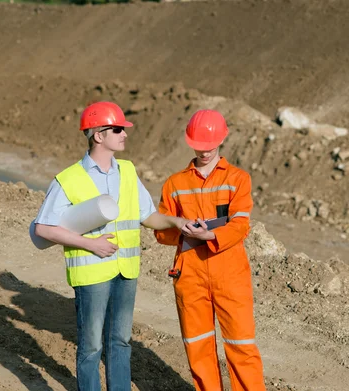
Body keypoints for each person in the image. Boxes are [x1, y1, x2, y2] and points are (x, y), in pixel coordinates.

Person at [33, 101, 190, 391]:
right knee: (91, 346)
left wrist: (175, 221)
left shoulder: (128, 171)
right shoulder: (69, 179)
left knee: (121, 341)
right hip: (92, 274)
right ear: (98, 135)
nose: (125, 134)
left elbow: (147, 216)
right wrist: (89, 244)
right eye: (117, 129)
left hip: (126, 272)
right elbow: (43, 228)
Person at [154, 109, 266, 391]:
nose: (204, 152)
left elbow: (241, 225)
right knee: (198, 347)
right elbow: (161, 231)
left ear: (221, 141)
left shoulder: (238, 179)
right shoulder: (175, 184)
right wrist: (179, 227)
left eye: (210, 146)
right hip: (190, 274)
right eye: (199, 146)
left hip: (229, 272)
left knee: (241, 346)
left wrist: (210, 234)